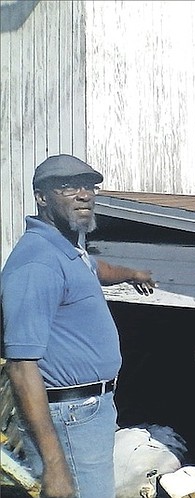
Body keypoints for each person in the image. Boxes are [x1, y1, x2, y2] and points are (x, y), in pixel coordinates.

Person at [1, 154, 156, 498]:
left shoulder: (68, 246)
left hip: (89, 410)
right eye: (68, 187)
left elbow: (94, 268)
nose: (84, 194)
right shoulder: (36, 265)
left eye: (89, 185)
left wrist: (130, 274)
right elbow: (21, 368)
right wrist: (55, 467)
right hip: (68, 417)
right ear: (42, 197)